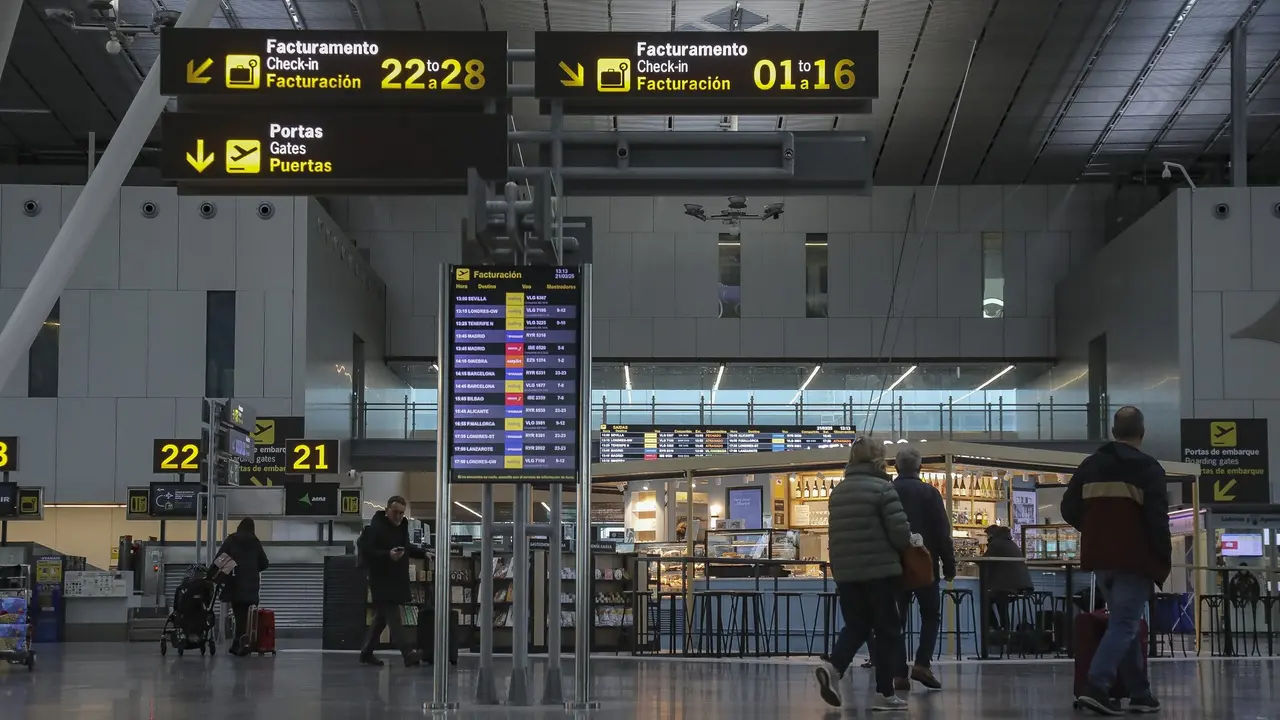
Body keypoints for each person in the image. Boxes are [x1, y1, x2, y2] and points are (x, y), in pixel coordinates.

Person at [1061, 406, 1169, 715]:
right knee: (1124, 622)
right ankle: (1097, 685)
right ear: (1142, 432)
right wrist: (1162, 555)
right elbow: (1156, 519)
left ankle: (1140, 692)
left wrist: (1095, 531)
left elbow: (1069, 508)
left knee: (1126, 622)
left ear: (1113, 431)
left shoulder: (1090, 466)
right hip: (1134, 558)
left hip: (1099, 557)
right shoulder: (1148, 469)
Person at [815, 437, 912, 712]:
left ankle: (833, 669)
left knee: (857, 626)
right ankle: (885, 693)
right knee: (888, 630)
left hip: (846, 573)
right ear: (878, 459)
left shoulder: (839, 492)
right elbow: (899, 533)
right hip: (880, 572)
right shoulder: (883, 488)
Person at [891, 447, 956, 691]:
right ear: (919, 468)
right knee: (930, 616)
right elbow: (942, 533)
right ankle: (921, 664)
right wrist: (949, 566)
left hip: (895, 565)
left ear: (896, 467)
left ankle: (898, 673)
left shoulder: (889, 491)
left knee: (897, 619)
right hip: (925, 565)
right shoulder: (930, 493)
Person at [358, 495, 427, 667]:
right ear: (387, 510)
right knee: (393, 617)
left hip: (396, 578)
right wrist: (387, 555)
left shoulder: (402, 527)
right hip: (381, 579)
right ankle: (408, 653)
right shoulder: (375, 528)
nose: (398, 516)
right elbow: (367, 550)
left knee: (381, 618)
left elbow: (406, 546)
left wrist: (423, 552)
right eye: (395, 512)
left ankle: (366, 652)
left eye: (401, 513)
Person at [215, 517, 269, 656]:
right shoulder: (255, 542)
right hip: (252, 586)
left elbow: (221, 560)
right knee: (249, 616)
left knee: (239, 615)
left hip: (235, 584)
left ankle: (241, 643)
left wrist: (214, 576)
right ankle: (240, 643)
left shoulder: (232, 540)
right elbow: (264, 563)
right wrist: (252, 568)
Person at [981, 524, 1034, 641]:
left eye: (988, 535)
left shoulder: (996, 544)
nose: (987, 537)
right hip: (1024, 586)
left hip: (1010, 586)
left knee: (987, 599)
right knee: (998, 598)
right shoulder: (1011, 543)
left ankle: (1000, 630)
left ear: (992, 535)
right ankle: (1003, 630)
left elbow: (983, 561)